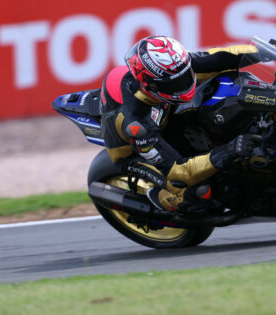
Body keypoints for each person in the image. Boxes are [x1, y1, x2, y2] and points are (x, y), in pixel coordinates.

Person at [100, 35, 259, 214]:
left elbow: (219, 56)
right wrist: (228, 151)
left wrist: (268, 51)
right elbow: (177, 171)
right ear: (150, 85)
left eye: (185, 76)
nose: (184, 85)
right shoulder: (136, 123)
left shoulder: (171, 68)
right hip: (133, 150)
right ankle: (159, 200)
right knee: (197, 194)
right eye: (175, 83)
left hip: (164, 117)